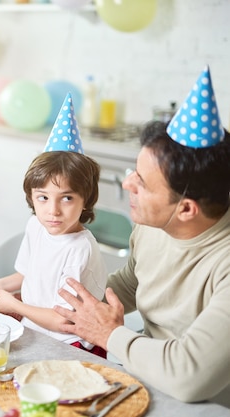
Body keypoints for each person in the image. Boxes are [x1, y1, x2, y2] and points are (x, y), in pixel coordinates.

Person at [54, 66, 230, 406]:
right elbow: (134, 281)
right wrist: (57, 305)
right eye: (133, 170)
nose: (126, 184)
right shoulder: (153, 226)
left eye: (142, 183)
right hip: (146, 377)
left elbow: (190, 375)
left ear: (187, 209)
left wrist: (109, 333)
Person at [0, 94, 107, 357]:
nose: (52, 211)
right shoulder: (36, 225)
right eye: (43, 198)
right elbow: (26, 276)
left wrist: (13, 305)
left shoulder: (80, 249)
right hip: (37, 330)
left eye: (66, 198)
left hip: (71, 344)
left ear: (85, 198)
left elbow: (65, 321)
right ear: (31, 197)